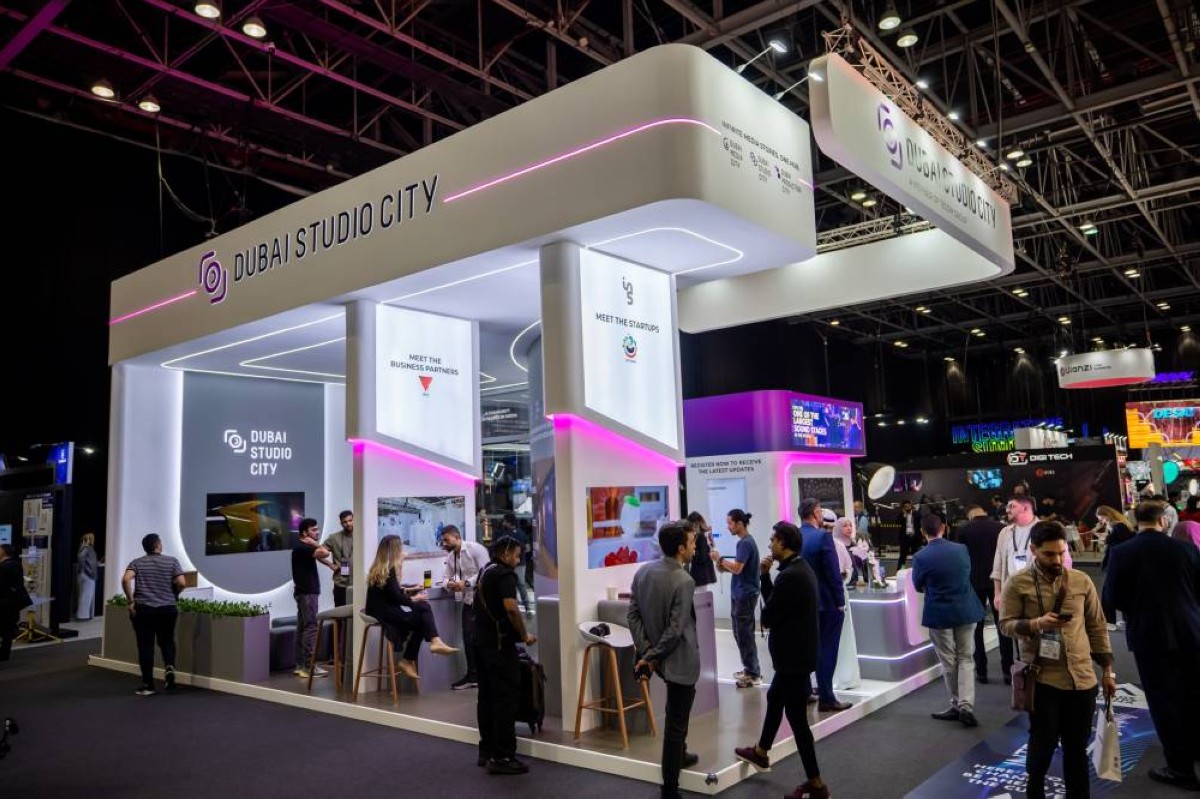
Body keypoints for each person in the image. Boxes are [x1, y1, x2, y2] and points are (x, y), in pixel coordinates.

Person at [1000, 522, 1116, 799]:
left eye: (1061, 553)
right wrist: (1036, 624)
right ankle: (1035, 791)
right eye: (1049, 554)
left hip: (1082, 679)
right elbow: (1005, 625)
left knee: (1077, 748)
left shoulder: (1081, 581)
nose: (1057, 560)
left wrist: (1108, 671)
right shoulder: (1017, 583)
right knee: (1043, 745)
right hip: (1043, 679)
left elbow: (1097, 627)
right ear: (1033, 550)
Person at [1103, 501, 1200, 791]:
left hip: (1149, 635)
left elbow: (1112, 597)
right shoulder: (1186, 549)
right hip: (1191, 631)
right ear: (1163, 521)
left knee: (1163, 701)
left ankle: (1180, 768)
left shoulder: (1122, 552)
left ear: (1136, 521)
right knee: (1193, 692)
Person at [734, 522, 830, 799]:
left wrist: (764, 578)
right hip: (797, 656)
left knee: (798, 721)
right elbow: (779, 608)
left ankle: (817, 785)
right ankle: (761, 752)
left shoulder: (790, 577)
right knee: (775, 699)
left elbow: (769, 616)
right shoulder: (800, 569)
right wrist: (767, 578)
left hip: (793, 659)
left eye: (773, 540)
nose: (770, 544)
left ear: (783, 543)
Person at [628, 521, 701, 799]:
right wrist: (651, 655)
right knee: (676, 723)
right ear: (681, 548)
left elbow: (633, 615)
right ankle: (669, 787)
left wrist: (647, 652)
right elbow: (676, 629)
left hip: (658, 659)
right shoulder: (684, 580)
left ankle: (680, 754)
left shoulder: (643, 572)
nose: (695, 547)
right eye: (692, 543)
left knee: (677, 716)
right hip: (679, 660)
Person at [912, 514, 986, 727]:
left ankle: (957, 705)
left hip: (939, 613)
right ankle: (966, 706)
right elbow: (966, 573)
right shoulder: (961, 549)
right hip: (966, 609)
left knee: (949, 660)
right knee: (966, 657)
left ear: (922, 532)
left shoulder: (921, 556)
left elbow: (918, 585)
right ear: (943, 528)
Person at [473, 536, 536, 776]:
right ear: (506, 553)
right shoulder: (505, 575)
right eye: (517, 555)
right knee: (506, 698)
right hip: (499, 645)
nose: (518, 560)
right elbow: (511, 608)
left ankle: (487, 750)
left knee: (486, 697)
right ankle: (503, 756)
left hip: (480, 642)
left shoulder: (485, 571)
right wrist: (524, 634)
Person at [365, 534, 458, 681]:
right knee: (423, 607)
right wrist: (415, 598)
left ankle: (415, 655)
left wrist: (410, 590)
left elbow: (391, 592)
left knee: (422, 617)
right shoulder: (389, 570)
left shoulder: (380, 569)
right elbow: (396, 598)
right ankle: (430, 644)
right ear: (395, 550)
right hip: (384, 613)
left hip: (380, 610)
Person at [798, 498, 851, 713]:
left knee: (805, 649)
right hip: (826, 604)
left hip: (802, 604)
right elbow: (832, 573)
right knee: (827, 650)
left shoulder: (794, 536)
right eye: (820, 511)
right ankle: (827, 697)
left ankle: (805, 692)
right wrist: (840, 602)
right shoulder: (822, 537)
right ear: (815, 513)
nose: (821, 515)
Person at [121, 533, 186, 695]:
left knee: (145, 646)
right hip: (167, 609)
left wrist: (130, 601)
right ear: (158, 545)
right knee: (167, 641)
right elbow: (182, 582)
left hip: (144, 609)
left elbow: (126, 580)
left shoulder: (137, 563)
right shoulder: (172, 561)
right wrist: (175, 594)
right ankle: (169, 671)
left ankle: (148, 685)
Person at [956, 505, 1011, 684]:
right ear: (984, 512)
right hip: (999, 582)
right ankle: (1008, 671)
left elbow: (959, 557)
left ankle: (981, 671)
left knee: (976, 628)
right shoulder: (1002, 528)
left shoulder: (964, 530)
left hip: (973, 582)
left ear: (970, 516)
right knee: (1003, 625)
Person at [714, 509, 761, 687]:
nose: (728, 527)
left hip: (745, 595)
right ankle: (750, 669)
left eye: (730, 523)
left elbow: (737, 568)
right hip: (741, 593)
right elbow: (739, 569)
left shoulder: (745, 543)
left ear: (739, 524)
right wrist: (722, 565)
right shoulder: (745, 542)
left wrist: (719, 559)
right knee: (740, 633)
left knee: (744, 634)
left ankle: (753, 673)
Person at [441, 524, 490, 689]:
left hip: (485, 601)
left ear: (456, 537)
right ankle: (473, 676)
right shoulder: (451, 557)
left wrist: (466, 583)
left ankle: (486, 674)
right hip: (469, 601)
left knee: (485, 638)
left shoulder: (475, 549)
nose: (444, 544)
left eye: (447, 540)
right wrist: (450, 584)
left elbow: (486, 572)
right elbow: (445, 578)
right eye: (443, 541)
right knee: (468, 637)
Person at [292, 517, 335, 679]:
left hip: (302, 592)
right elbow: (324, 552)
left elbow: (317, 556)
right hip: (308, 593)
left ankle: (301, 666)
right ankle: (309, 667)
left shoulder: (301, 547)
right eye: (314, 530)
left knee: (303, 628)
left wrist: (330, 565)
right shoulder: (304, 547)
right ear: (305, 533)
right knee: (311, 628)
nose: (317, 532)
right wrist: (316, 543)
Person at [0, 544, 32, 663]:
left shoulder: (3, 567)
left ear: (3, 552)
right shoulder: (17, 565)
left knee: (5, 627)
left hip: (3, 603)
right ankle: (5, 653)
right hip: (13, 602)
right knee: (7, 628)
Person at [498, 513, 532, 613]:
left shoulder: (506, 535)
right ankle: (525, 607)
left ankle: (516, 607)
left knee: (513, 584)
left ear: (508, 522)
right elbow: (528, 548)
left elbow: (502, 549)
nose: (503, 523)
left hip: (511, 564)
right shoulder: (520, 533)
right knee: (519, 584)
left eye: (504, 521)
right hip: (519, 563)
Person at [322, 510, 354, 607]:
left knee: (357, 612)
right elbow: (317, 553)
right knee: (339, 612)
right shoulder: (334, 538)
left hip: (357, 582)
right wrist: (330, 565)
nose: (348, 524)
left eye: (350, 520)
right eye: (345, 522)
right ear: (341, 523)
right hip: (341, 583)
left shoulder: (362, 536)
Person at [685, 512, 717, 589]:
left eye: (694, 524)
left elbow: (702, 557)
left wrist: (691, 551)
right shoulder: (700, 536)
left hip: (701, 576)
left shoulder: (701, 537)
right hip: (701, 575)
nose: (693, 527)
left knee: (700, 594)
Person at [1097, 505, 1135, 570]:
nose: (1103, 521)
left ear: (1108, 515)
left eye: (1102, 518)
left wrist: (1107, 538)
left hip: (1120, 558)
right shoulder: (1117, 525)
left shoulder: (1119, 526)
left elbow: (1123, 541)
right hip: (1120, 557)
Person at [75, 532, 99, 621]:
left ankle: (82, 615)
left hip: (83, 574)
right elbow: (81, 559)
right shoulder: (88, 549)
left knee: (83, 595)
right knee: (87, 596)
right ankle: (83, 616)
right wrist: (84, 569)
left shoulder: (82, 548)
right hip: (88, 575)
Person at [896, 499, 923, 569]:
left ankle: (916, 569)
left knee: (916, 556)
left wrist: (921, 537)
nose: (907, 508)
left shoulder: (917, 514)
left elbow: (921, 524)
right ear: (903, 507)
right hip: (905, 538)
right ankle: (901, 570)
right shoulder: (901, 514)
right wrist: (904, 516)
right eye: (906, 507)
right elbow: (897, 522)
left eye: (909, 506)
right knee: (903, 556)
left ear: (911, 506)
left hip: (915, 538)